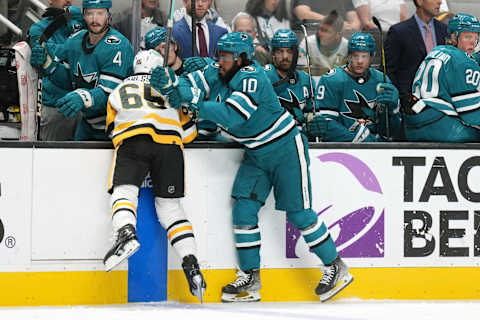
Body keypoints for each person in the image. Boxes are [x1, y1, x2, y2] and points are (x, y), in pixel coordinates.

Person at [150, 32, 353, 303]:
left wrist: (191, 103)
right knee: (244, 210)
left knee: (300, 214)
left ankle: (335, 266)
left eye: (225, 57)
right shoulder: (219, 70)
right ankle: (250, 277)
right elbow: (191, 83)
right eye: (219, 56)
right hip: (256, 153)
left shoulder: (253, 78)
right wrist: (172, 83)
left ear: (242, 58)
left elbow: (231, 116)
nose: (219, 61)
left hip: (285, 149)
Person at [103, 48, 205, 301]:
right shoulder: (171, 88)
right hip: (170, 146)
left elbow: (110, 128)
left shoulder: (119, 90)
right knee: (170, 209)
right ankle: (191, 262)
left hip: (133, 140)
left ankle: (126, 232)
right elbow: (190, 134)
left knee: (124, 191)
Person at [30, 0, 134, 141]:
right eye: (90, 13)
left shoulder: (118, 45)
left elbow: (110, 93)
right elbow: (68, 80)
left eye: (100, 13)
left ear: (108, 16)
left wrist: (83, 97)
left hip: (115, 127)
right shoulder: (75, 41)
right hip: (88, 124)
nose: (95, 19)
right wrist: (47, 63)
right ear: (83, 16)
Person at [306, 32, 402, 142]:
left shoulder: (382, 80)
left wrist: (393, 111)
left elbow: (390, 133)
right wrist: (361, 139)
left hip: (377, 150)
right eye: (355, 55)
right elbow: (324, 126)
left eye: (364, 56)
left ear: (372, 56)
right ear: (349, 55)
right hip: (342, 149)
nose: (360, 61)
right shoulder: (332, 79)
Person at [403, 13, 480, 142]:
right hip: (441, 126)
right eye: (467, 36)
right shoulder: (464, 62)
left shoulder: (436, 51)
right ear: (454, 37)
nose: (473, 42)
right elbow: (471, 115)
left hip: (413, 125)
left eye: (475, 37)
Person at [28, 0, 85, 141]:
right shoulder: (38, 29)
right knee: (51, 160)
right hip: (56, 107)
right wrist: (61, 20)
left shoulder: (84, 22)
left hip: (85, 105)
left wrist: (84, 19)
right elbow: (59, 55)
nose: (68, 1)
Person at [385, 0, 448, 107]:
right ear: (419, 1)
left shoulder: (444, 30)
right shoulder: (399, 32)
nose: (440, 2)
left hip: (441, 102)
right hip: (409, 103)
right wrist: (402, 98)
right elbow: (388, 70)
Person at [264, 29, 314, 128]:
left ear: (296, 53)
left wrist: (312, 122)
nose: (285, 56)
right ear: (273, 53)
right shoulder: (264, 76)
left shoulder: (306, 79)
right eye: (280, 51)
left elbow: (310, 113)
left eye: (289, 51)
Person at [298, 10, 349, 76]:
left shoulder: (347, 46)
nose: (322, 34)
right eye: (321, 29)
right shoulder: (307, 43)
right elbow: (300, 71)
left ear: (338, 34)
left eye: (327, 31)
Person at [292, 0, 361, 31]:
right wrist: (334, 22)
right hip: (312, 36)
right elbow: (302, 13)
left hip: (341, 39)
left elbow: (355, 20)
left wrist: (351, 28)